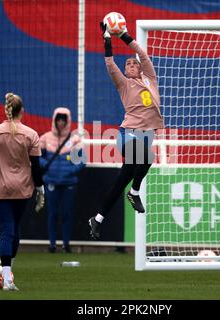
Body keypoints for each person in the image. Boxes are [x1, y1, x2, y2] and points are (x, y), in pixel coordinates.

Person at [88, 22, 164, 240]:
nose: (131, 64)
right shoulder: (124, 84)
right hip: (127, 133)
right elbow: (110, 63)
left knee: (122, 179)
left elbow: (141, 53)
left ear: (140, 68)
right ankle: (135, 192)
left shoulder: (150, 79)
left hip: (147, 134)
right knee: (147, 155)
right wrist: (108, 40)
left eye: (134, 63)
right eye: (128, 64)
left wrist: (124, 35)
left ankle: (98, 218)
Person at [0, 92, 45, 291]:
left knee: (7, 230)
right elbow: (36, 166)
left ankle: (7, 277)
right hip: (23, 188)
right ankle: (7, 274)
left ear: (5, 109)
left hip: (1, 188)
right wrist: (41, 191)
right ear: (22, 111)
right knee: (14, 231)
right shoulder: (31, 134)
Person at [39, 107, 85, 253]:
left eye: (63, 120)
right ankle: (52, 245)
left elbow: (82, 161)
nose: (60, 123)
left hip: (69, 183)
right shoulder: (45, 138)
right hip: (51, 181)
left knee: (66, 214)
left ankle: (66, 244)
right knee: (52, 214)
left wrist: (70, 171)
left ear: (67, 122)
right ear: (54, 120)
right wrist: (46, 165)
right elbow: (37, 157)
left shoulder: (75, 139)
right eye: (58, 120)